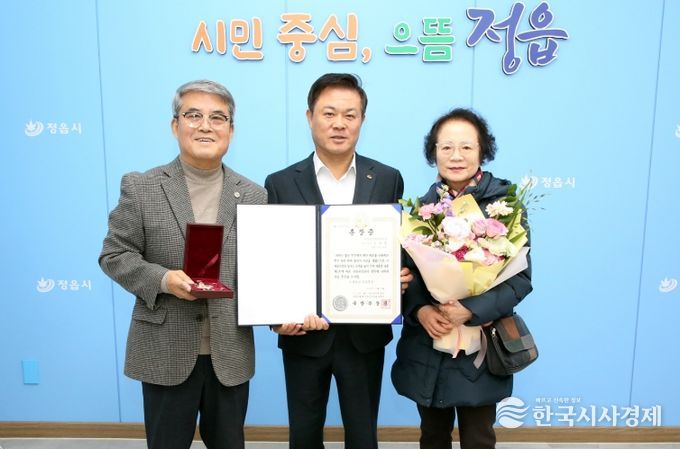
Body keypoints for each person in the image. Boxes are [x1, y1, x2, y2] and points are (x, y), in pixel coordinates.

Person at [99, 80, 267, 449]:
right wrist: (163, 280)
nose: (206, 126)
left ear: (231, 130)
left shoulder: (255, 195)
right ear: (175, 125)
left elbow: (265, 269)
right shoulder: (142, 187)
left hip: (229, 351)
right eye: (194, 116)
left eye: (217, 118)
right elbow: (115, 254)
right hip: (165, 349)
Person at [264, 73, 412, 449]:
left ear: (362, 119)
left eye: (350, 114)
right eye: (329, 113)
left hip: (364, 336)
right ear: (310, 117)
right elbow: (272, 257)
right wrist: (276, 317)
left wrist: (400, 276)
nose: (339, 124)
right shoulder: (280, 182)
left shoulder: (387, 178)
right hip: (303, 334)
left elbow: (398, 246)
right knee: (303, 435)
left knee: (363, 436)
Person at [391, 108, 533, 449]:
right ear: (434, 152)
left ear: (483, 150)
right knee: (432, 436)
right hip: (430, 341)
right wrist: (421, 310)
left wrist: (470, 309)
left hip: (481, 343)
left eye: (467, 147)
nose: (456, 156)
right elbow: (407, 276)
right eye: (446, 147)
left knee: (478, 438)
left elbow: (520, 280)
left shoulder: (506, 206)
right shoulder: (421, 210)